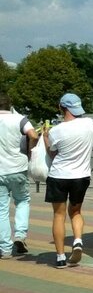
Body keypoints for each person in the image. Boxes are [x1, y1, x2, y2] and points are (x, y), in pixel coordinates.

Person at [43, 93, 93, 268]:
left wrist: (45, 138)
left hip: (58, 176)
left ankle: (60, 257)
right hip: (81, 176)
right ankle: (78, 240)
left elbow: (52, 153)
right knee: (76, 212)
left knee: (59, 215)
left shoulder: (56, 131)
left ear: (61, 108)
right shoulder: (89, 124)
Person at [0, 92, 39, 258]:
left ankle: (5, 249)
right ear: (10, 105)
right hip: (18, 167)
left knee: (1, 209)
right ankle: (20, 235)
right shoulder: (20, 119)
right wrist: (29, 151)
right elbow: (34, 135)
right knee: (22, 200)